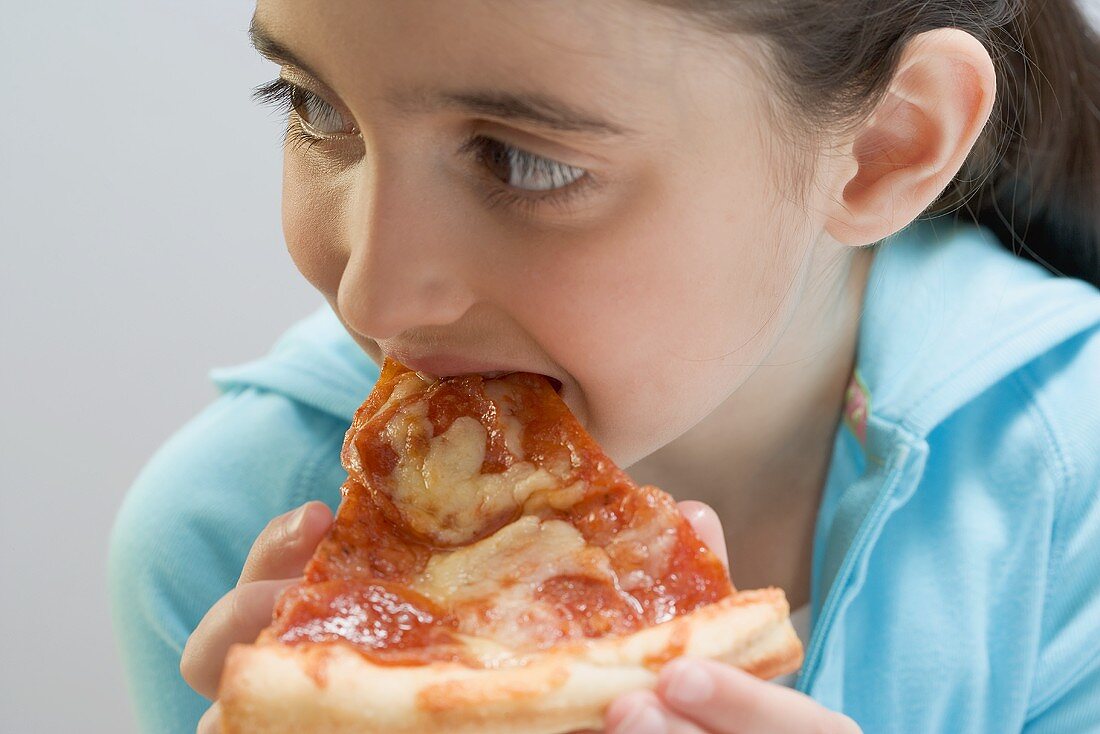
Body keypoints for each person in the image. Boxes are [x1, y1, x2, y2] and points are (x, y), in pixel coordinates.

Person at [108, 1, 1100, 732]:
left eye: (522, 161)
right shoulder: (226, 537)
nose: (372, 295)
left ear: (886, 145)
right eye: (313, 105)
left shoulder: (1072, 503)